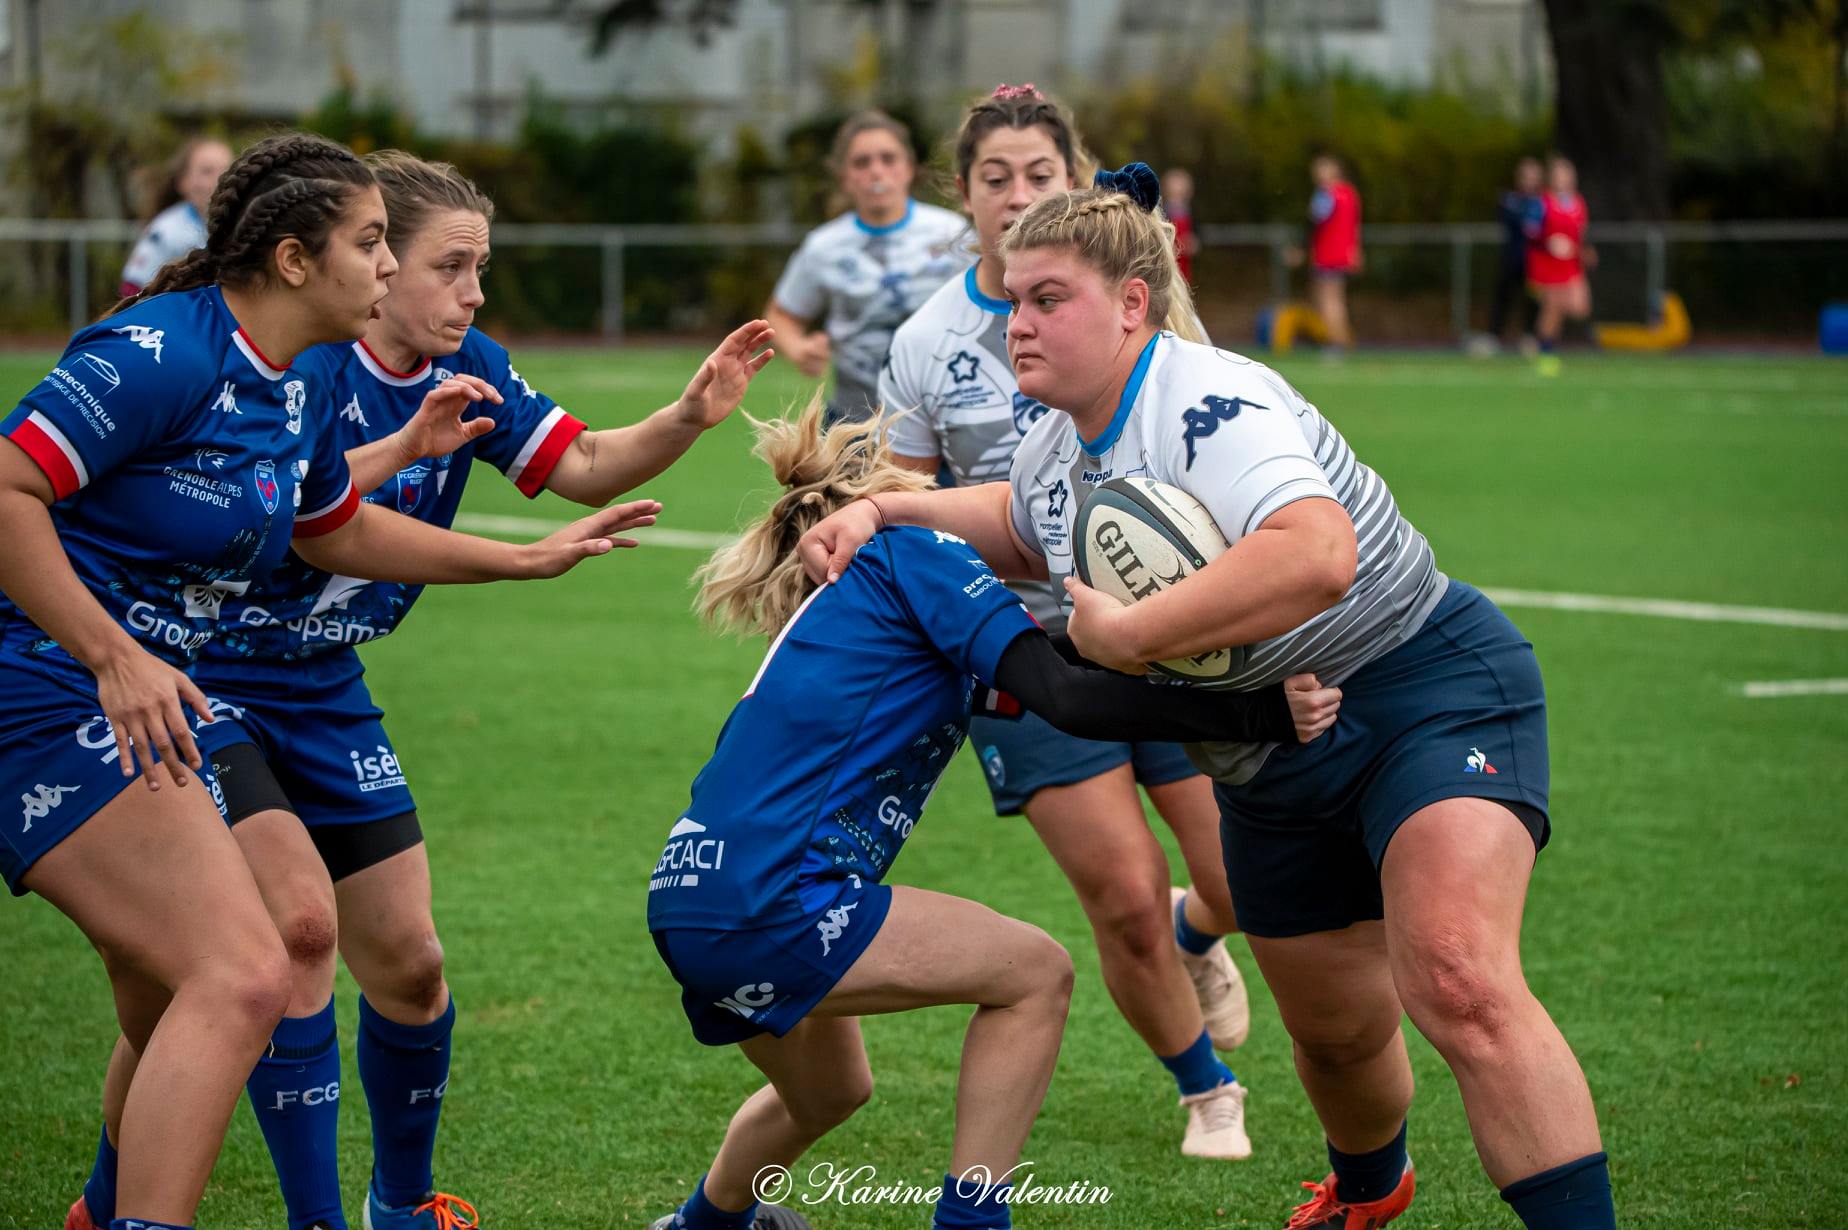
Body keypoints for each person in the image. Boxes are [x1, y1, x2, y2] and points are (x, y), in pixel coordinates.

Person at [798, 168, 1617, 1230]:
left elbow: (1320, 554)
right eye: (1012, 300)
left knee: (1459, 981)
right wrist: (883, 513)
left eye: (1051, 299)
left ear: (1132, 304)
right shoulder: (1055, 444)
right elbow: (1017, 519)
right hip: (1266, 755)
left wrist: (1130, 633)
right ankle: (1368, 1198)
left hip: (1416, 682)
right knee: (1334, 1032)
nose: (1019, 323)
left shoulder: (1207, 398)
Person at [64, 151, 775, 1230]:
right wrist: (493, 538)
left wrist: (687, 417)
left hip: (324, 689)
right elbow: (310, 514)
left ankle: (397, 1202)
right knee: (292, 940)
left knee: (408, 962)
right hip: (208, 677)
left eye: (479, 267)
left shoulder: (470, 362)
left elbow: (576, 464)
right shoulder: (297, 359)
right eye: (452, 266)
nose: (474, 292)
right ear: (376, 264)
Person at [646, 399, 1342, 1230]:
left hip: (691, 897)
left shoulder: (840, 612)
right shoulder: (914, 549)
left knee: (832, 1091)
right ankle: (972, 1222)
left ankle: (701, 1225)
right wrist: (1258, 715)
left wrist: (1176, 646)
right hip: (778, 898)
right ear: (906, 489)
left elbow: (1050, 668)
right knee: (1035, 976)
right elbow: (1068, 698)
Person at [878, 92, 1255, 1161]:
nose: (1018, 193)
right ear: (965, 193)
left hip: (1169, 629)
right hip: (1030, 656)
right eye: (995, 175)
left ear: (1074, 177)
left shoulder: (1149, 307)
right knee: (1125, 896)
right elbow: (905, 502)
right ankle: (1207, 1090)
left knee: (1232, 879)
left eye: (1039, 172)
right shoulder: (925, 343)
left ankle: (1201, 934)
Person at [765, 110, 970, 425]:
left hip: (941, 418)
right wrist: (800, 349)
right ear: (844, 177)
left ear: (909, 168)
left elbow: (996, 295)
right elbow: (780, 315)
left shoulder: (951, 232)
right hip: (853, 422)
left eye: (888, 159)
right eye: (862, 162)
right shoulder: (824, 246)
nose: (877, 171)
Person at [119, 136, 234, 297]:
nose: (220, 179)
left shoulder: (240, 222)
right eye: (207, 171)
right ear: (183, 182)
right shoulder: (166, 230)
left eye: (227, 169)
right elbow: (132, 288)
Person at [1528, 155, 1593, 377]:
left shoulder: (1578, 202)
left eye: (1567, 173)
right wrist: (1548, 243)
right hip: (1547, 263)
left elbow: (1580, 234)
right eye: (1559, 174)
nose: (1563, 178)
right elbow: (1530, 232)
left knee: (1579, 307)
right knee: (1552, 309)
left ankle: (1539, 341)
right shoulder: (1542, 202)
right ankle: (1546, 353)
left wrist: (1584, 251)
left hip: (1571, 263)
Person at [1485, 157, 1543, 353]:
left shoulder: (1542, 202)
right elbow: (1515, 222)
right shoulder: (1509, 199)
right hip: (1511, 258)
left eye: (1533, 176)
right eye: (1526, 176)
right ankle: (1494, 336)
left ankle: (1530, 337)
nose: (1529, 181)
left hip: (1533, 261)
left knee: (1532, 300)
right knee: (1503, 297)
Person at [1305, 154, 1361, 353]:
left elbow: (1313, 223)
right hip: (1343, 254)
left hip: (1327, 254)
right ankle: (1346, 341)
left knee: (1328, 301)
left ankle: (1336, 343)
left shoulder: (1325, 194)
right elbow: (1354, 226)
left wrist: (1303, 250)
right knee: (1338, 300)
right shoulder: (1350, 193)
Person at [1162, 167, 1199, 284]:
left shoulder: (1191, 214)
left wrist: (1192, 245)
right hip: (1168, 265)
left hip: (1184, 267)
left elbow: (1196, 239)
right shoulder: (1162, 213)